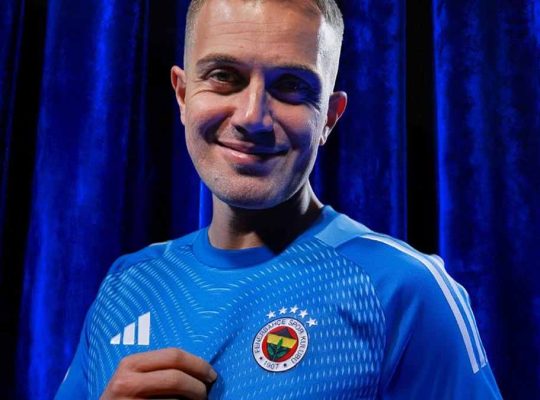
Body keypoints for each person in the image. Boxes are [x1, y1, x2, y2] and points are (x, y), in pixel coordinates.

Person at [56, 0, 502, 398]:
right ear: (183, 94)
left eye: (290, 86)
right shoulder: (126, 285)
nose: (253, 117)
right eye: (224, 76)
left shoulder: (404, 289)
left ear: (329, 117)